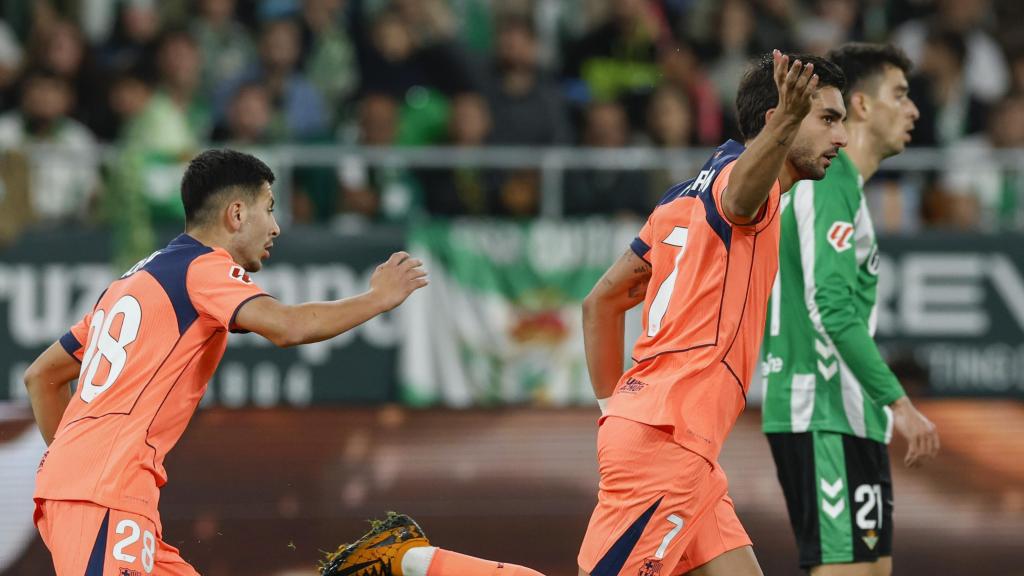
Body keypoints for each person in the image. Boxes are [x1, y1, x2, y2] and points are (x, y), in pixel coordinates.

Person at [322, 49, 848, 576]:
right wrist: (785, 124)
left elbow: (602, 301)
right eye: (826, 118)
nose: (840, 139)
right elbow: (739, 200)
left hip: (668, 438)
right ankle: (411, 562)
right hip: (670, 441)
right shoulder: (751, 193)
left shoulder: (678, 200)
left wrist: (614, 412)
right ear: (775, 118)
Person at [24, 149, 428, 576]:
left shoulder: (133, 282)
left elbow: (43, 376)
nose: (275, 227)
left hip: (105, 495)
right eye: (269, 209)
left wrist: (74, 468)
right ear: (236, 213)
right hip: (105, 495)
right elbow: (287, 327)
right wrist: (377, 299)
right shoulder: (204, 268)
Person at [761, 43, 940, 576]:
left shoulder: (846, 190)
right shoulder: (826, 185)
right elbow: (830, 308)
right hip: (820, 412)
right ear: (861, 105)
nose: (913, 111)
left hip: (850, 416)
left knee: (873, 569)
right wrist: (899, 403)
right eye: (900, 95)